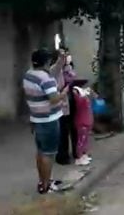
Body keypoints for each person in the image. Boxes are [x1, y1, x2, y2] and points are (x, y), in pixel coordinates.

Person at [24, 48, 70, 194]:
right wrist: (63, 94)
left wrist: (60, 60)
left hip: (36, 119)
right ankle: (47, 185)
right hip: (49, 120)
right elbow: (54, 98)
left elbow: (53, 70)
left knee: (40, 152)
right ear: (46, 62)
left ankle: (42, 181)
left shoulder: (29, 75)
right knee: (49, 154)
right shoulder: (46, 79)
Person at [53, 48, 77, 166]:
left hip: (68, 101)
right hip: (60, 103)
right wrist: (62, 57)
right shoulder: (55, 70)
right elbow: (58, 65)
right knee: (62, 131)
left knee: (70, 128)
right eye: (65, 56)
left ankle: (74, 153)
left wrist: (68, 67)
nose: (67, 58)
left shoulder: (68, 69)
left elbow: (73, 77)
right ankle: (62, 156)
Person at [72, 84, 94, 166]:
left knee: (85, 140)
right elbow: (79, 98)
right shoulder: (81, 100)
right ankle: (79, 157)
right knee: (81, 141)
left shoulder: (84, 99)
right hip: (82, 123)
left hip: (86, 122)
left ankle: (83, 155)